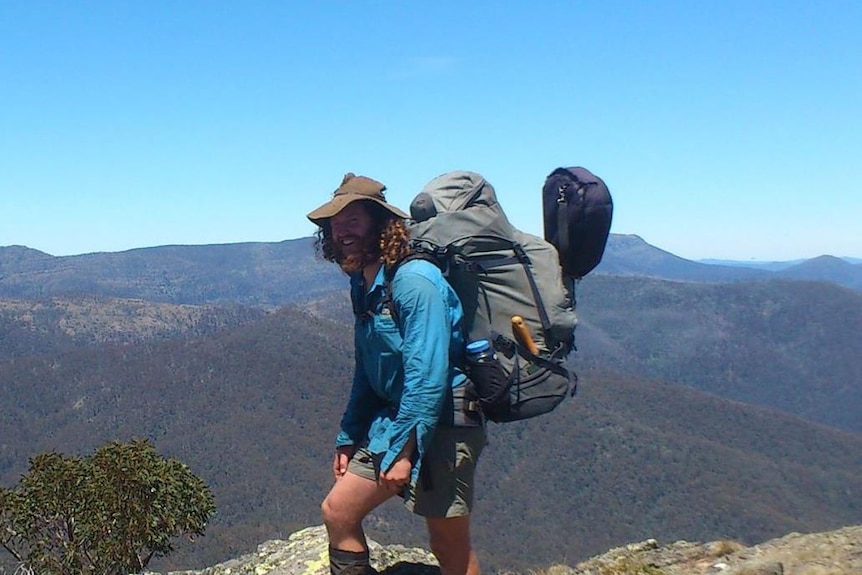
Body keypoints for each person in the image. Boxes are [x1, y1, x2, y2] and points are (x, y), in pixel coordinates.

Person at [307, 173, 486, 575]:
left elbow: (427, 374)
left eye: (353, 219)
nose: (341, 230)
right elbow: (367, 372)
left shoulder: (414, 281)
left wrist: (406, 450)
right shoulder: (365, 284)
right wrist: (349, 436)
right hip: (396, 419)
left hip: (444, 422)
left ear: (382, 224)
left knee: (448, 543)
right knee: (338, 512)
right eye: (335, 223)